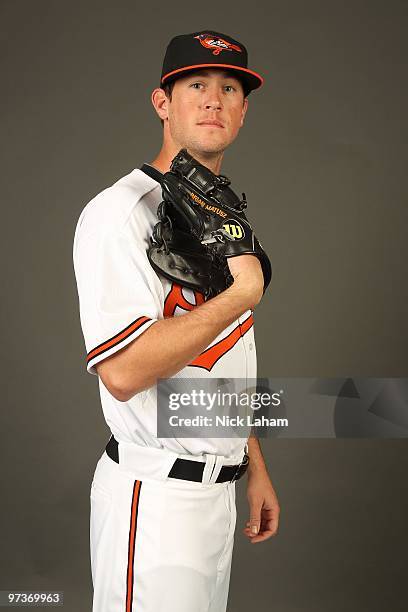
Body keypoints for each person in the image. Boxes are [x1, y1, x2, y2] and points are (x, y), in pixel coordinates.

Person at [73, 29, 280, 612]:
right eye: (196, 85)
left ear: (243, 111)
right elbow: (122, 371)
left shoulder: (221, 211)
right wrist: (243, 292)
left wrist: (251, 463)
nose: (214, 99)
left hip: (217, 498)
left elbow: (225, 359)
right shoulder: (119, 214)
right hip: (156, 499)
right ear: (163, 103)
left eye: (229, 88)